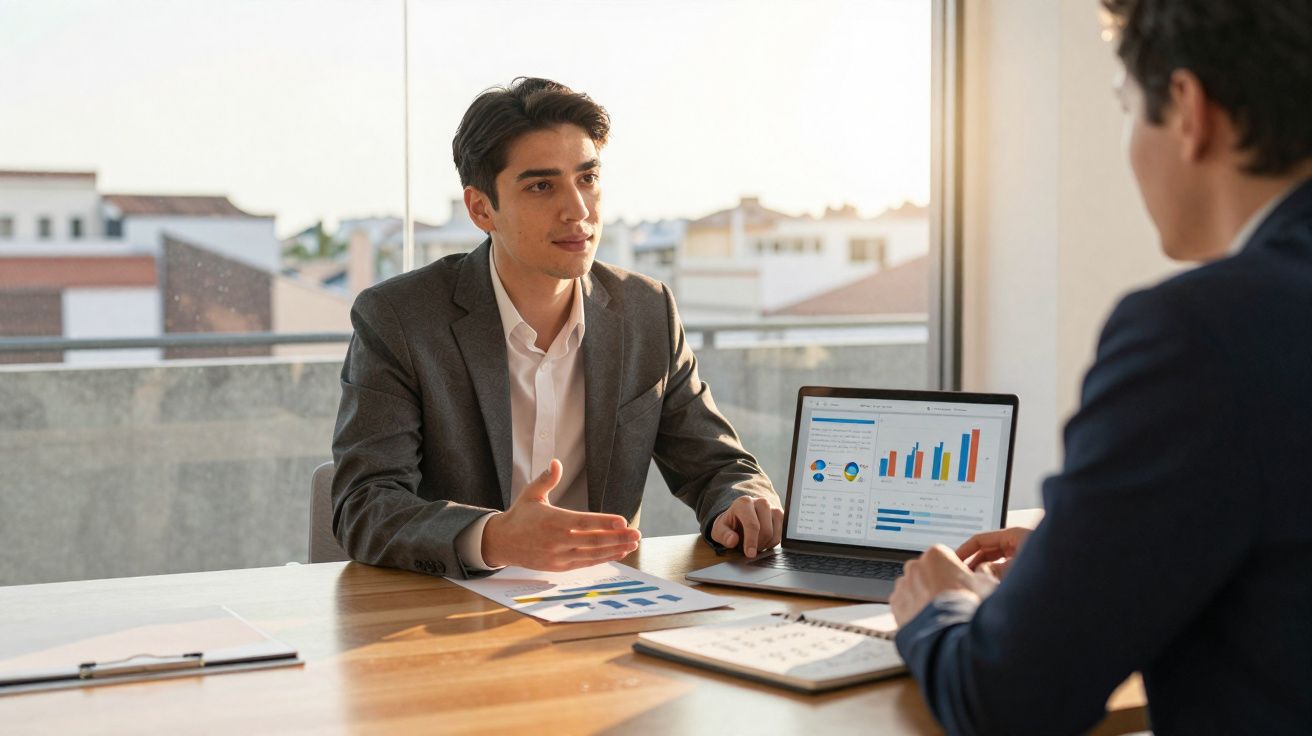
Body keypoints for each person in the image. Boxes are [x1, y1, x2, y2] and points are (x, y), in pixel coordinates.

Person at [889, 1, 1312, 733]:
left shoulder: (1195, 335)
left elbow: (1007, 699)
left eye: (1126, 106)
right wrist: (1085, 557)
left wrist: (938, 609)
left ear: (1188, 109)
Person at [331, 77, 783, 580]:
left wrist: (741, 502)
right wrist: (494, 537)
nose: (578, 210)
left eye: (587, 178)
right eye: (542, 186)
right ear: (481, 208)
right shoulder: (401, 318)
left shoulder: (646, 311)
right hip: (452, 605)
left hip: (603, 601)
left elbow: (718, 465)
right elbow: (364, 505)